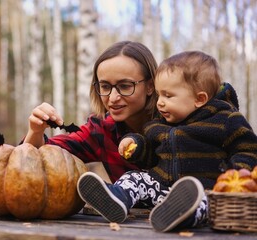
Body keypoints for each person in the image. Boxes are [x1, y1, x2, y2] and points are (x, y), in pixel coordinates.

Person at [77, 51, 257, 232]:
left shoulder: (225, 119)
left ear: (199, 99)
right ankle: (117, 199)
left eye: (168, 96)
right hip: (162, 188)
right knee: (135, 179)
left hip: (203, 190)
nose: (159, 103)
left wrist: (233, 174)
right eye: (158, 94)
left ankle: (180, 216)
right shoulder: (159, 124)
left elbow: (248, 149)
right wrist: (136, 147)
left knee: (203, 205)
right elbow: (151, 157)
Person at [24, 41, 158, 183]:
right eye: (105, 86)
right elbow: (37, 157)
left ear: (150, 86)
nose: (112, 98)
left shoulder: (175, 121)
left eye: (125, 86)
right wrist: (35, 130)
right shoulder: (101, 130)